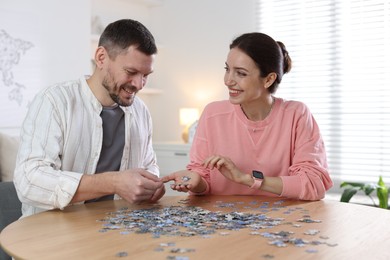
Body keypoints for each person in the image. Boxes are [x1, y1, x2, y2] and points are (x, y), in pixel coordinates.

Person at [13, 19, 165, 218]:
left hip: (116, 230)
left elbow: (148, 165)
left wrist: (151, 185)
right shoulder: (53, 101)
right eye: (131, 72)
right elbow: (29, 181)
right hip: (51, 234)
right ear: (101, 57)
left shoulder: (141, 111)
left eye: (146, 75)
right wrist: (113, 183)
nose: (139, 84)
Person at [162, 32, 333, 200]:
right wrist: (196, 181)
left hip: (281, 221)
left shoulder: (296, 114)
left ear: (268, 79)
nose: (228, 80)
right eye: (227, 69)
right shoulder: (212, 114)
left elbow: (312, 184)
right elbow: (202, 176)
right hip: (221, 222)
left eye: (241, 73)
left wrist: (246, 179)